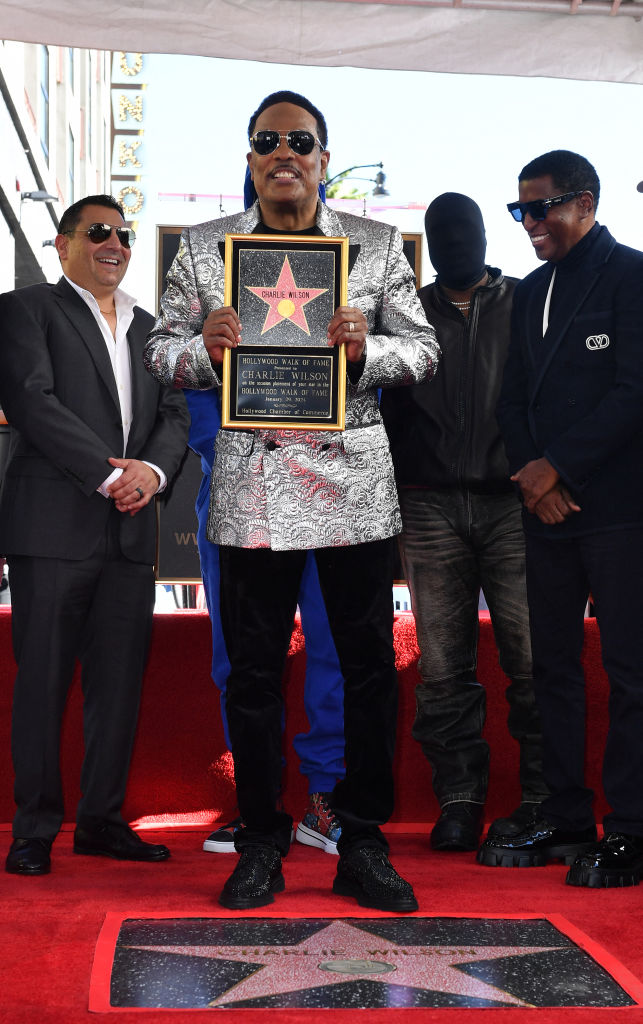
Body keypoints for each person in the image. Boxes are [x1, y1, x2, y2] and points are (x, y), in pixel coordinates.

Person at [145, 90, 439, 911]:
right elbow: (159, 349)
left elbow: (423, 350)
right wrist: (202, 350)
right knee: (252, 674)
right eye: (267, 140)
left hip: (353, 486)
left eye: (299, 141)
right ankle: (262, 839)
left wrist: (366, 348)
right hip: (252, 487)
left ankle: (363, 840)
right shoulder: (206, 251)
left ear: (321, 157)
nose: (284, 153)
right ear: (249, 158)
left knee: (370, 670)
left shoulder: (375, 248)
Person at [0, 195, 189, 876]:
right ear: (63, 244)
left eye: (124, 234)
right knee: (43, 682)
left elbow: (174, 414)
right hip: (52, 527)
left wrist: (153, 473)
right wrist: (108, 476)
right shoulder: (26, 310)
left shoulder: (152, 327)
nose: (114, 243)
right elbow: (30, 400)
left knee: (118, 686)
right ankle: (35, 828)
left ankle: (103, 821)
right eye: (98, 232)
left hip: (134, 531)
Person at [477, 150, 643, 888]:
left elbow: (632, 390)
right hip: (543, 510)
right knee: (549, 668)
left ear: (582, 202)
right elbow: (509, 397)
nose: (527, 224)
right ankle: (567, 813)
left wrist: (560, 468)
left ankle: (633, 827)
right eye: (518, 211)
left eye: (537, 208)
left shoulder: (633, 275)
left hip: (618, 512)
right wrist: (531, 475)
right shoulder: (531, 289)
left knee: (630, 672)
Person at [381, 192, 547, 853]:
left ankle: (541, 795)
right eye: (441, 235)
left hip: (513, 501)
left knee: (531, 660)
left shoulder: (525, 304)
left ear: (481, 237)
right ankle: (457, 797)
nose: (455, 244)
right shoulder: (405, 315)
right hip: (426, 503)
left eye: (465, 233)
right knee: (443, 667)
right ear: (427, 241)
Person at [185, 386, 345, 856]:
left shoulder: (350, 306)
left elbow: (366, 384)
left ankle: (326, 798)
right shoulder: (209, 307)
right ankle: (257, 803)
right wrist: (239, 458)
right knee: (238, 656)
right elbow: (191, 382)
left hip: (329, 485)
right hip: (238, 484)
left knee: (335, 647)